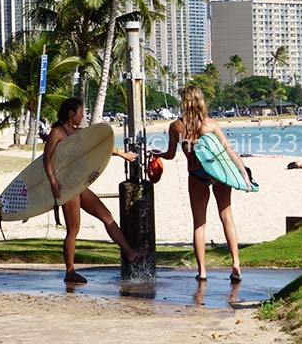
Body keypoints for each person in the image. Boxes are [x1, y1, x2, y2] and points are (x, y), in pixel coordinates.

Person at [151, 85, 249, 282]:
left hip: (196, 174)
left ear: (184, 102)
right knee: (226, 217)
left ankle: (202, 271)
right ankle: (236, 263)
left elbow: (170, 155)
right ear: (201, 102)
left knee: (199, 223)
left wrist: (156, 153)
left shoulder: (176, 127)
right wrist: (243, 172)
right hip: (218, 174)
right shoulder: (211, 124)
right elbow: (228, 150)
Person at [43, 97, 143, 283]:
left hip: (80, 185)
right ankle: (70, 271)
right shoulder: (57, 132)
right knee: (73, 230)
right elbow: (46, 159)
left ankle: (130, 253)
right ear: (71, 113)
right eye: (80, 112)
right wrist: (53, 181)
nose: (82, 116)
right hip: (66, 187)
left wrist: (123, 155)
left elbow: (102, 146)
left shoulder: (79, 133)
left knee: (106, 216)